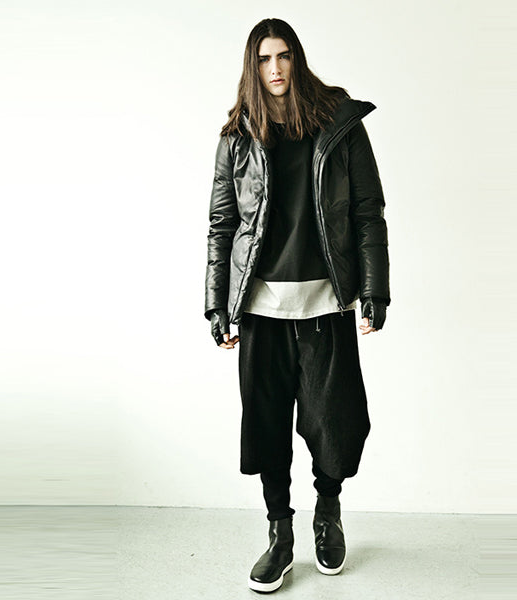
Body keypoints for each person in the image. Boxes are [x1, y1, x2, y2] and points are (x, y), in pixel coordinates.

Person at [204, 18, 390, 593]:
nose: (275, 68)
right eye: (264, 59)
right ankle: (280, 532)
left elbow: (367, 211)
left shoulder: (338, 125)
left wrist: (374, 289)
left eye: (283, 56)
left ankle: (327, 512)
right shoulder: (237, 137)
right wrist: (216, 304)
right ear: (253, 66)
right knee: (266, 427)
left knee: (334, 424)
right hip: (261, 307)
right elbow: (221, 225)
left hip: (325, 303)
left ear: (297, 58)